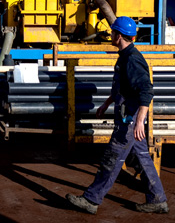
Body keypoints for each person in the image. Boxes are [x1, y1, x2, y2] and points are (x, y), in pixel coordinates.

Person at [66, 16, 168, 215]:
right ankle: (158, 199)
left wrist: (139, 121)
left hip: (129, 120)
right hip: (128, 117)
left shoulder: (132, 59)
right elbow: (123, 88)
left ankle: (91, 200)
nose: (110, 35)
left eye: (112, 32)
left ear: (119, 36)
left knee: (112, 159)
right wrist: (106, 103)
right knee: (143, 159)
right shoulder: (125, 56)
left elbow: (146, 91)